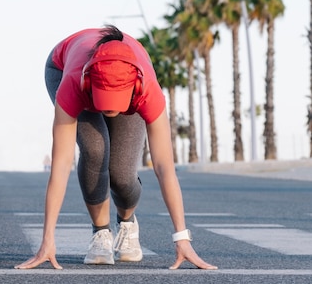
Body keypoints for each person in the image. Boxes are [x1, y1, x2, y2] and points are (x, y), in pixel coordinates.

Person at [15, 25, 217, 270]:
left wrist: (182, 238)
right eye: (104, 101)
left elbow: (164, 167)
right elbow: (60, 165)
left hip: (128, 74)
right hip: (61, 65)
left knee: (122, 173)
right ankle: (100, 233)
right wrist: (47, 240)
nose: (108, 109)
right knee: (95, 149)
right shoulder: (72, 84)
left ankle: (127, 222)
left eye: (114, 103)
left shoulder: (147, 89)